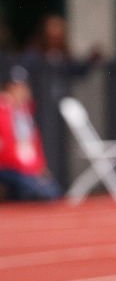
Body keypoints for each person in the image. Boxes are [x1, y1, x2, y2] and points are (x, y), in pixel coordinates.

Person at [0, 65, 60, 202]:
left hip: (27, 169)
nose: (20, 91)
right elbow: (7, 146)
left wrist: (39, 167)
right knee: (35, 189)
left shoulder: (25, 112)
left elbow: (34, 143)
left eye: (23, 87)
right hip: (9, 167)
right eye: (15, 87)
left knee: (52, 190)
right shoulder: (3, 110)